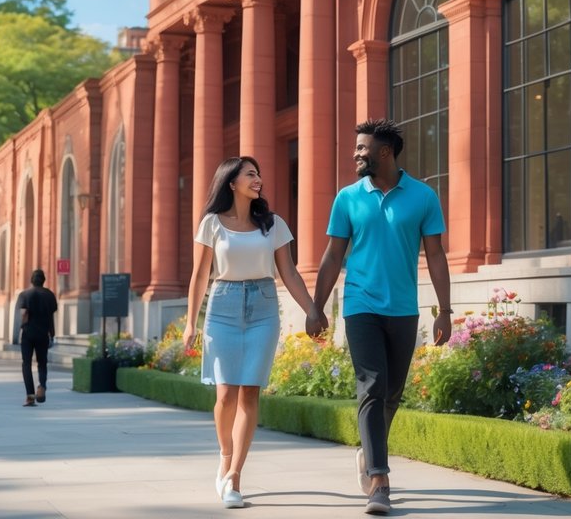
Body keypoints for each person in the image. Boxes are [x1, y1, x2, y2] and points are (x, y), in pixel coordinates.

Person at [310, 119, 452, 516]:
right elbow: (333, 256)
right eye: (356, 148)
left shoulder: (423, 197)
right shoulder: (348, 198)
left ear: (385, 152)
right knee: (371, 386)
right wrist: (316, 306)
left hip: (404, 309)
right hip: (360, 306)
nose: (356, 154)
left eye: (362, 149)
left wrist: (445, 310)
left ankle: (369, 452)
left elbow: (436, 255)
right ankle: (380, 481)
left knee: (391, 393)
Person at [183, 156, 324, 509]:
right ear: (231, 182)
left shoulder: (273, 224)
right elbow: (200, 275)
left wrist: (312, 310)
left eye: (259, 173)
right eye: (250, 174)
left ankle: (234, 477)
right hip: (223, 306)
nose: (258, 178)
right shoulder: (212, 223)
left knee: (249, 394)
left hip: (263, 307)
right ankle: (225, 454)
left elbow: (289, 273)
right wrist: (190, 323)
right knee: (226, 396)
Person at [18, 269, 57, 406]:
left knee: (26, 364)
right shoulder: (50, 295)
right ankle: (42, 387)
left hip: (28, 333)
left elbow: (23, 314)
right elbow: (51, 317)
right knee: (42, 363)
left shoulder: (24, 295)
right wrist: (52, 334)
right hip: (43, 333)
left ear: (31, 280)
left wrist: (20, 328)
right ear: (43, 280)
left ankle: (30, 396)